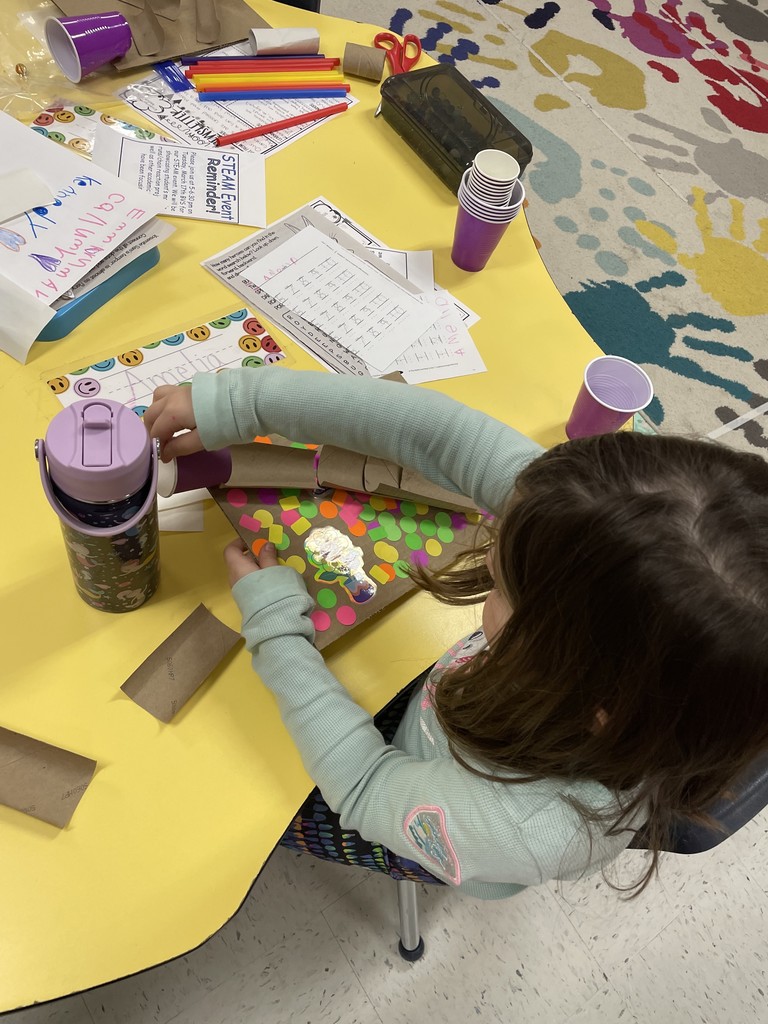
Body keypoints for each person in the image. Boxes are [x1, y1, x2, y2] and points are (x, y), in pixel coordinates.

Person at [144, 368, 768, 900]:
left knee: (246, 812)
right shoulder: (594, 547)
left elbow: (362, 783)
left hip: (423, 815)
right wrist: (242, 400)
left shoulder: (525, 826)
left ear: (591, 698)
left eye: (500, 586)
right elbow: (441, 434)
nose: (492, 547)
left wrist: (276, 628)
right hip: (452, 721)